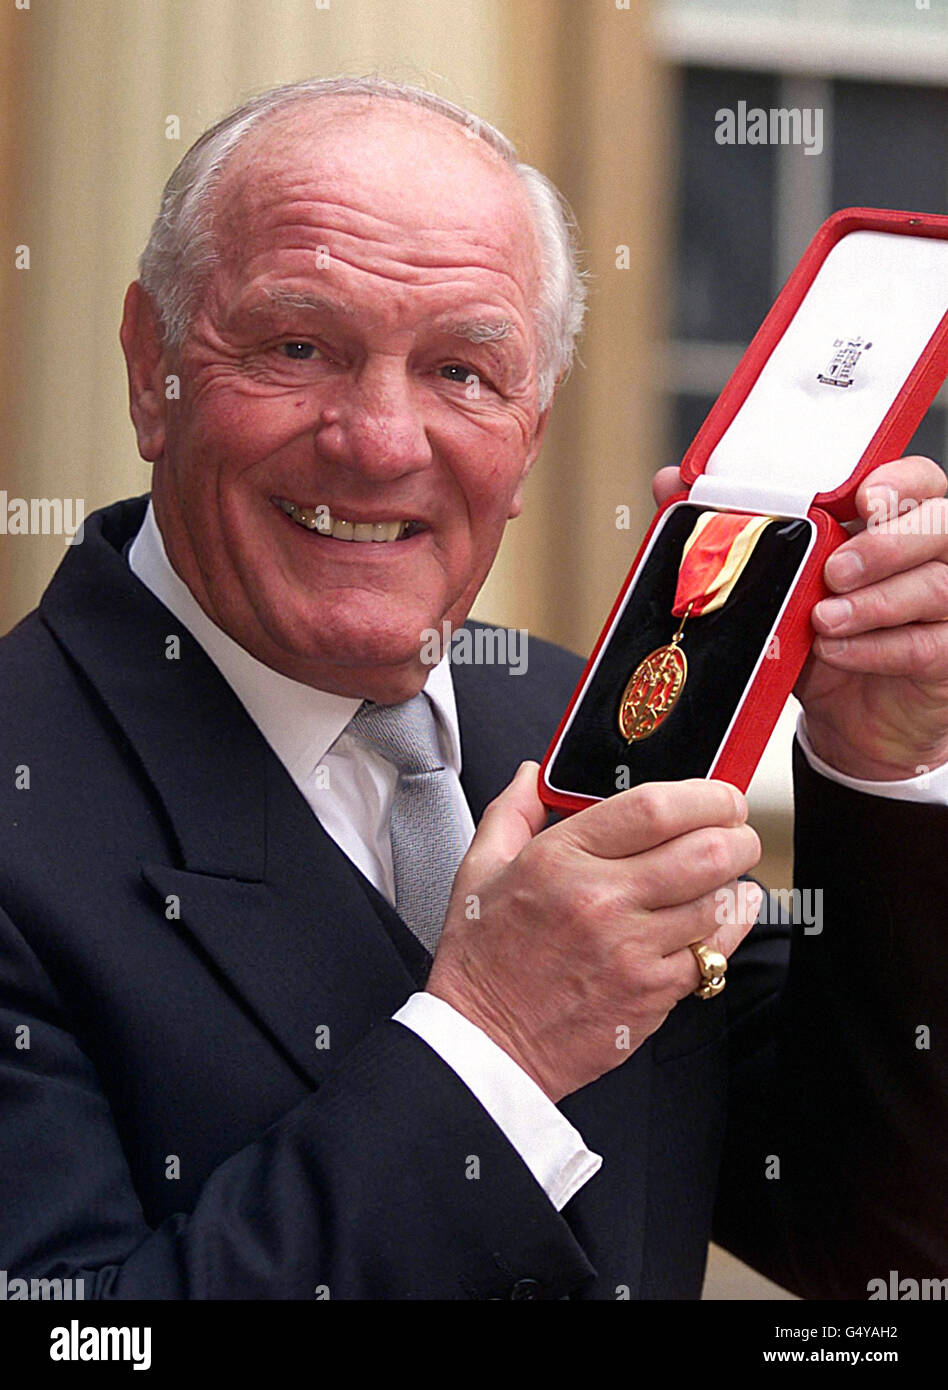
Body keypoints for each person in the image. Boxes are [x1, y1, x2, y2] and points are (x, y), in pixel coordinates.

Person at [1, 76, 946, 1301]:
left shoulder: (587, 723)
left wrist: (886, 765)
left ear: (533, 424)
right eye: (298, 346)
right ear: (151, 369)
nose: (382, 440)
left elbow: (887, 1250)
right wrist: (491, 1046)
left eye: (461, 370)